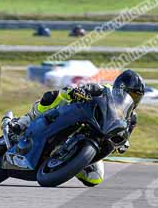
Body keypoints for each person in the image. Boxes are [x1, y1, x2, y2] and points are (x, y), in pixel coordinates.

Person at [13, 69, 145, 186]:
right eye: (132, 94)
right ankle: (24, 121)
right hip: (79, 117)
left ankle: (70, 163)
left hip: (96, 139)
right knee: (58, 95)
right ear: (121, 88)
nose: (133, 98)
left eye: (137, 96)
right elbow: (89, 88)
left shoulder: (131, 117)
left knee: (94, 178)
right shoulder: (106, 90)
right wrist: (81, 91)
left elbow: (126, 135)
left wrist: (123, 143)